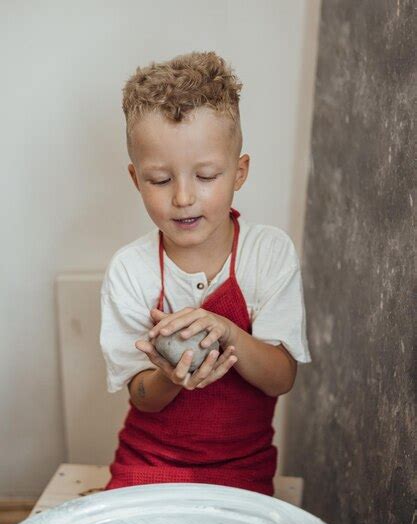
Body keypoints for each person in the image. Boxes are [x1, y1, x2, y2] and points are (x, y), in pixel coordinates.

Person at [100, 50, 312, 496]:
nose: (183, 198)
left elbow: (282, 377)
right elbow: (140, 397)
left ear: (239, 172)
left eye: (206, 175)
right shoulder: (131, 270)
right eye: (160, 180)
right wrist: (170, 378)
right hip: (149, 459)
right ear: (136, 179)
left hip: (242, 468)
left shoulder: (267, 254)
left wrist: (228, 333)